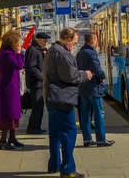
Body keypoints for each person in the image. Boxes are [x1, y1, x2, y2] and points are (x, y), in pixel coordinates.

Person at [44, 28, 93, 178]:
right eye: (74, 43)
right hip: (62, 99)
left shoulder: (53, 49)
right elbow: (70, 76)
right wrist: (85, 74)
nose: (74, 46)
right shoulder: (62, 53)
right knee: (69, 133)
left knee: (55, 133)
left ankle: (54, 164)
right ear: (68, 39)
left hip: (53, 97)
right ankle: (68, 169)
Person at [76, 32, 115, 148]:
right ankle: (101, 139)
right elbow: (97, 69)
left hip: (83, 88)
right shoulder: (91, 53)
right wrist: (103, 76)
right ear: (93, 41)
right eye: (96, 40)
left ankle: (87, 139)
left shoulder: (80, 53)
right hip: (94, 88)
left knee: (85, 114)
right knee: (99, 114)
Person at [0, 30, 25, 150]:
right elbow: (19, 65)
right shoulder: (7, 53)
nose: (19, 44)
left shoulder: (6, 51)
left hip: (12, 87)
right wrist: (20, 53)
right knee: (8, 113)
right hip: (7, 88)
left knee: (13, 112)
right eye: (18, 42)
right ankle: (2, 140)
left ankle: (12, 137)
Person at [24, 31, 49, 135]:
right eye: (44, 40)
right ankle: (32, 128)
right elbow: (32, 67)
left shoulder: (38, 50)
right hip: (35, 83)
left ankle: (35, 126)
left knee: (39, 106)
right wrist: (42, 77)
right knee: (37, 106)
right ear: (38, 39)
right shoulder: (33, 50)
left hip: (38, 83)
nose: (46, 43)